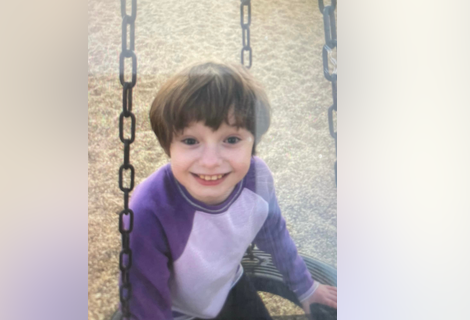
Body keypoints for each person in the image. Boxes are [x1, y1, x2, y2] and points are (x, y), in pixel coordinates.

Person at [121, 61, 337, 319]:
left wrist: (306, 288)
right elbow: (145, 296)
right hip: (176, 311)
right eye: (190, 141)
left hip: (230, 284)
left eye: (231, 140)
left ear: (253, 141)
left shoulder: (258, 179)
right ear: (168, 145)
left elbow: (274, 234)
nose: (211, 161)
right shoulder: (148, 211)